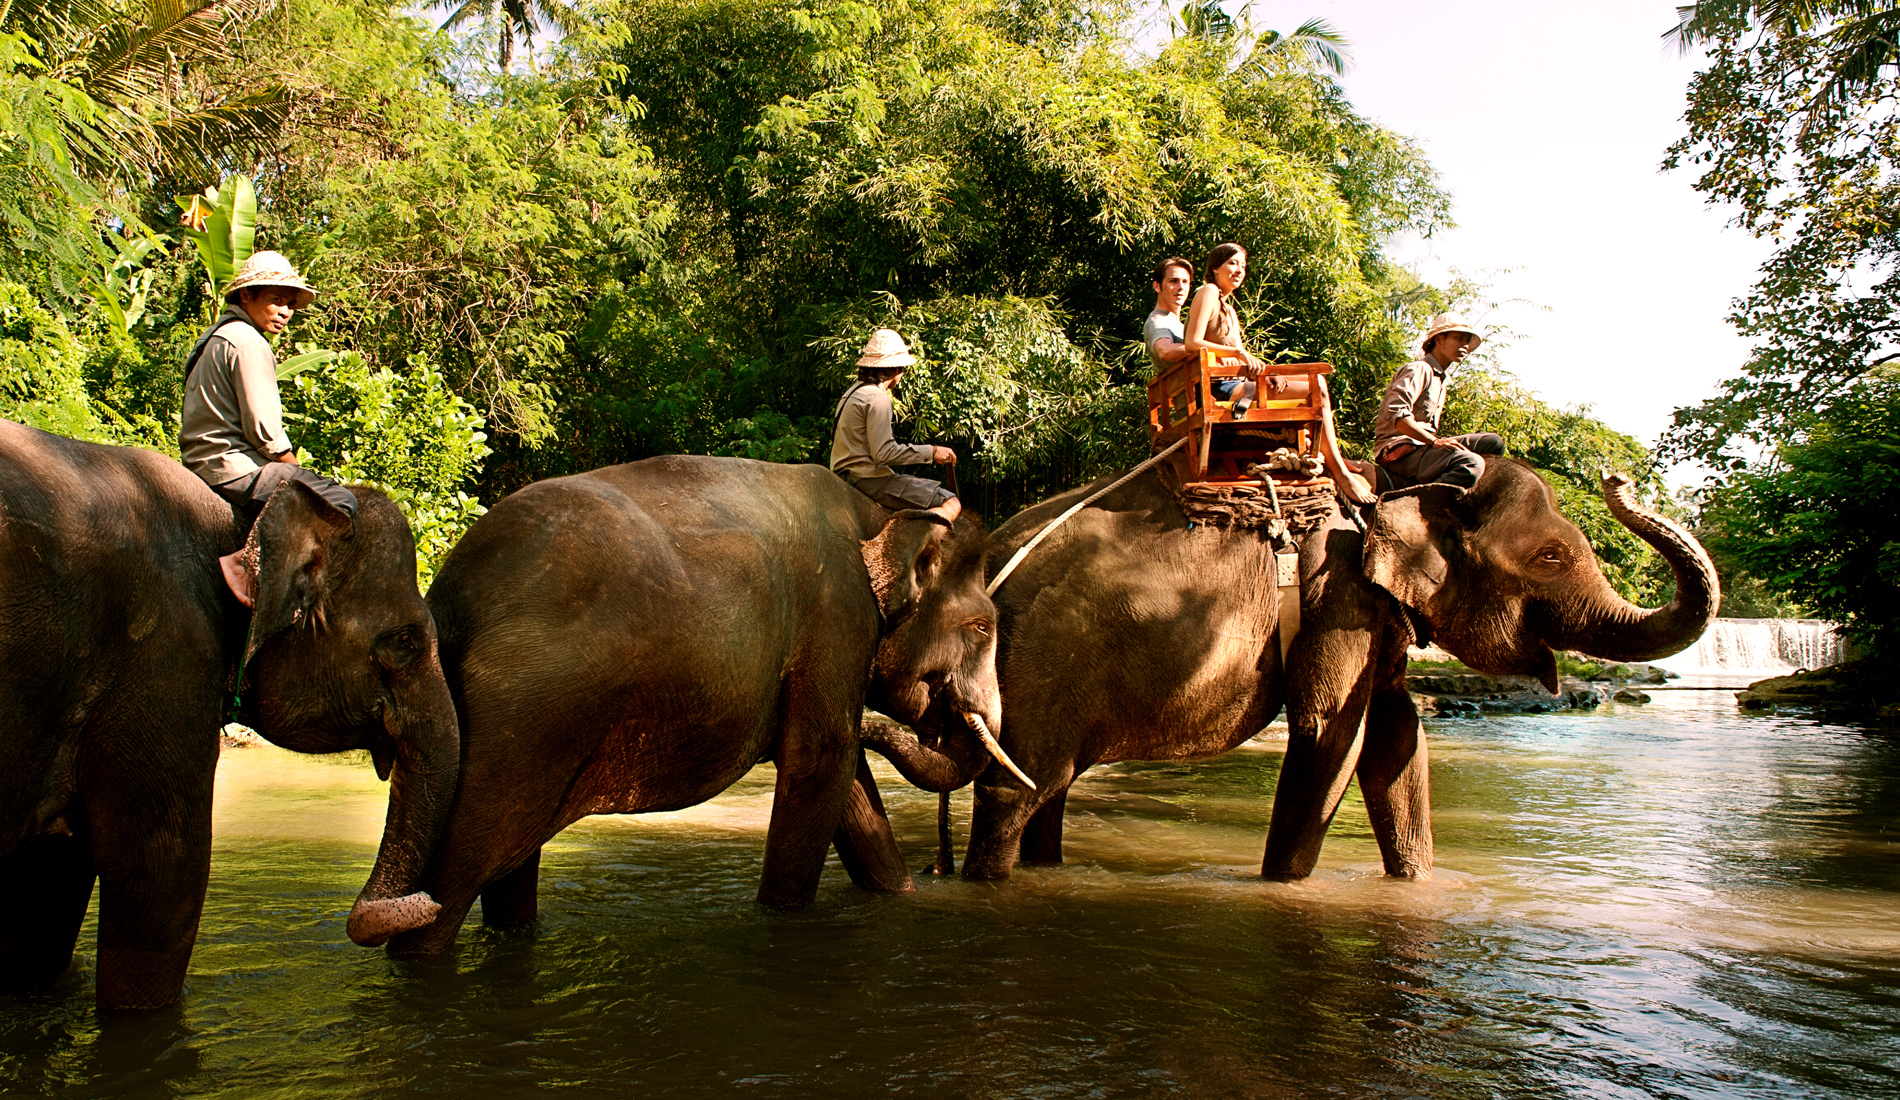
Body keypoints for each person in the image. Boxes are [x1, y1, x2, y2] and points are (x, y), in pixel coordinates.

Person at [1182, 242, 1375, 505]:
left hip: (1241, 381)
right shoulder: (1208, 292)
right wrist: (1239, 355)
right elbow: (1192, 343)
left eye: (1243, 265)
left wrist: (1262, 373)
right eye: (1233, 263)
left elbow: (1241, 357)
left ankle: (1330, 458)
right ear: (1215, 268)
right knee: (1316, 384)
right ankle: (1340, 471)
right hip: (1221, 387)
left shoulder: (1229, 306)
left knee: (1316, 381)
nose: (1239, 270)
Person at [181, 251, 359, 523]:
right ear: (246, 295)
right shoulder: (249, 341)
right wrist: (294, 467)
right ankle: (244, 562)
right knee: (341, 501)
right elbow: (264, 431)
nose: (285, 312)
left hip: (200, 461)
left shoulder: (214, 335)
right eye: (275, 300)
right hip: (235, 468)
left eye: (289, 304)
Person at [829, 328, 960, 523]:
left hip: (843, 476)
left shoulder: (852, 392)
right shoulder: (878, 398)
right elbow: (883, 454)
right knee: (951, 503)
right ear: (897, 368)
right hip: (867, 479)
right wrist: (931, 452)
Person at [1373, 314, 1505, 489]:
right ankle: (1423, 500)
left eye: (1467, 341)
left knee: (1493, 442)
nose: (1465, 346)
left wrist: (1434, 443)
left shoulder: (1442, 379)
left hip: (1423, 446)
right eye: (1459, 338)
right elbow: (1396, 414)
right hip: (1401, 451)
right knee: (1471, 464)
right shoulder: (1418, 369)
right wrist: (1434, 442)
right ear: (1439, 339)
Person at [1142, 256, 1194, 373]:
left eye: (1185, 282)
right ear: (1157, 286)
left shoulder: (1177, 323)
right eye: (1173, 281)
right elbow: (1165, 351)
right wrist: (1202, 347)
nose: (1181, 287)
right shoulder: (1158, 320)